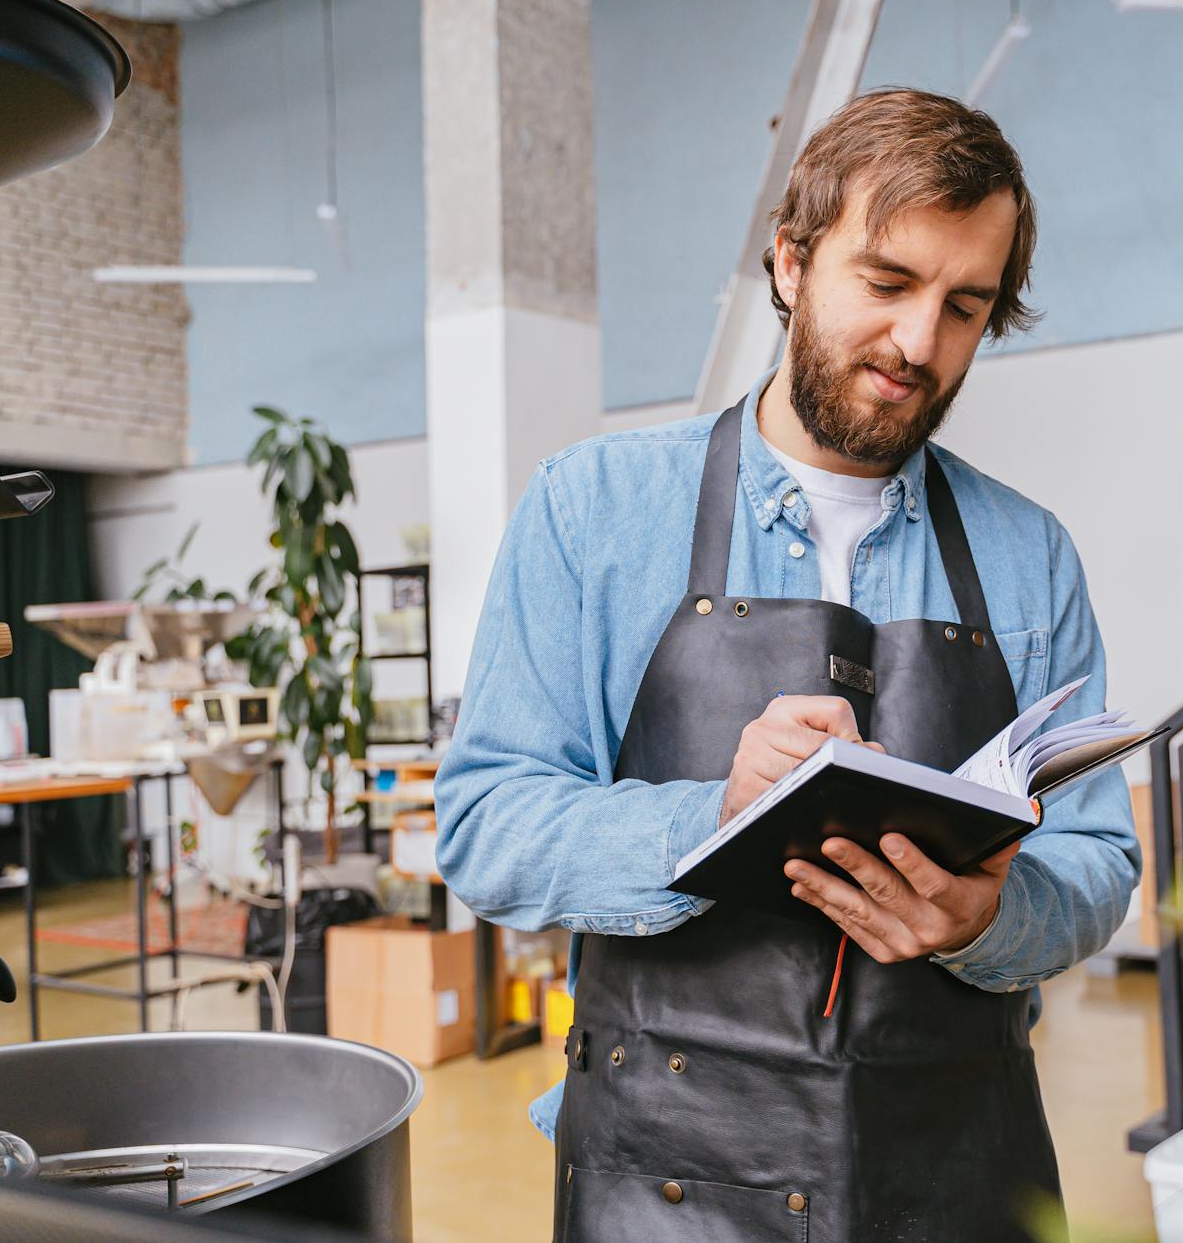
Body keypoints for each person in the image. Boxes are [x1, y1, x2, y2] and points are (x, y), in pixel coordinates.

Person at [436, 88, 1139, 1243]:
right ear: (790, 262)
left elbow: (1099, 860)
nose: (920, 344)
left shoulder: (1029, 555)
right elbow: (485, 824)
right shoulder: (597, 508)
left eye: (965, 307)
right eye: (887, 282)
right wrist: (709, 818)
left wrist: (986, 919)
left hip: (956, 1168)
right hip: (667, 1179)